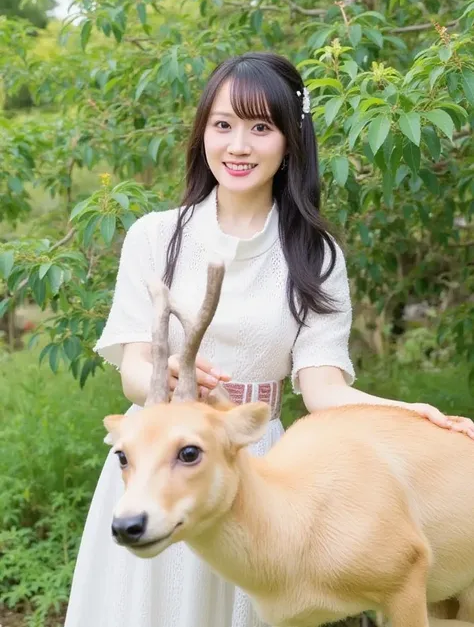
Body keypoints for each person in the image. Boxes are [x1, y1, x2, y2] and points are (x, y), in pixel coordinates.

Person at [63, 51, 474, 627]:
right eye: (223, 125)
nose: (238, 146)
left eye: (261, 128)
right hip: (158, 461)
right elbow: (135, 368)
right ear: (202, 132)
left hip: (259, 464)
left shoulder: (314, 254)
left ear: (289, 142)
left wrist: (409, 411)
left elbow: (323, 389)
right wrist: (175, 377)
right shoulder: (155, 236)